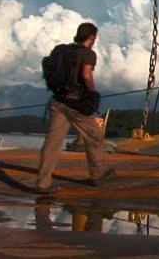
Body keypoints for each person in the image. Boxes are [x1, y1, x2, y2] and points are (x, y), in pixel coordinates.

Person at [36, 22, 114, 193]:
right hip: (76, 103)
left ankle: (42, 183)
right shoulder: (88, 54)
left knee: (52, 143)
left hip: (57, 101)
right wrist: (92, 93)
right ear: (92, 37)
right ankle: (97, 175)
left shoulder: (63, 51)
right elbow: (86, 75)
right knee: (94, 137)